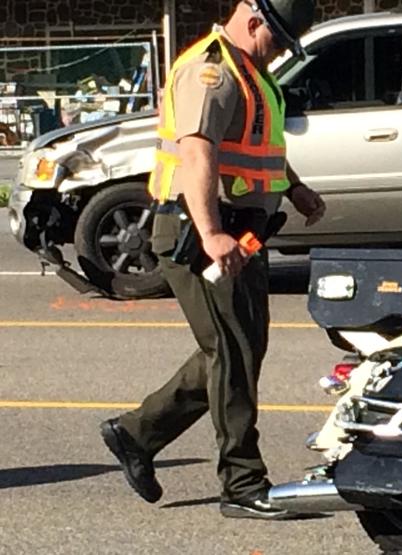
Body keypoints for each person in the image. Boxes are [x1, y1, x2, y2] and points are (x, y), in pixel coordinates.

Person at [99, 0, 325, 520]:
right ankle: (242, 483)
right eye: (276, 42)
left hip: (239, 232)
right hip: (196, 234)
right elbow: (199, 152)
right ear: (253, 23)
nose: (277, 55)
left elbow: (253, 143)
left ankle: (135, 434)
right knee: (233, 352)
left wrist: (295, 188)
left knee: (237, 348)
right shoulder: (213, 72)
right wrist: (212, 232)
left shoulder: (249, 73)